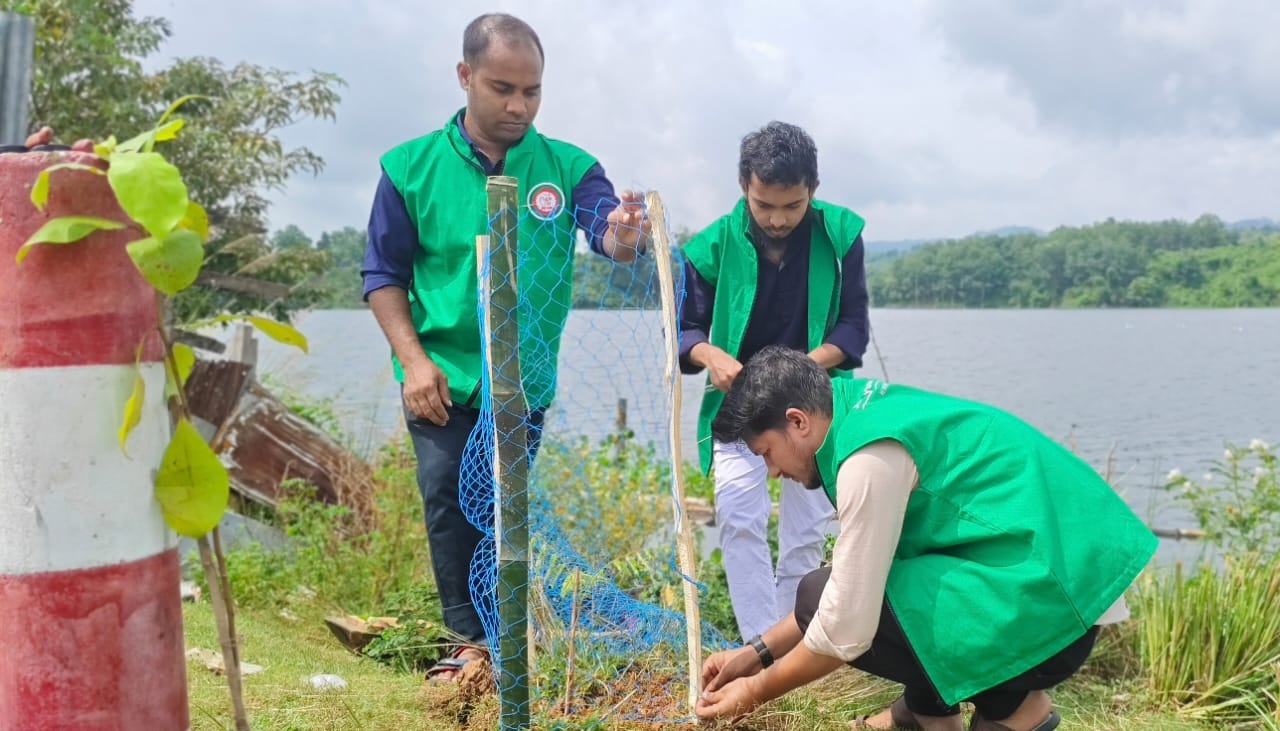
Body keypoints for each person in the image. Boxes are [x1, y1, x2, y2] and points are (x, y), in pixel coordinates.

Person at [361, 13, 649, 682]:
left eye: (533, 91)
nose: (519, 105)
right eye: (502, 88)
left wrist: (624, 232)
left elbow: (605, 230)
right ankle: (465, 647)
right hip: (441, 372)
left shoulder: (568, 167)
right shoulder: (409, 168)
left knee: (501, 511)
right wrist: (413, 361)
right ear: (465, 77)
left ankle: (501, 644)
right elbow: (382, 275)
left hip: (523, 381)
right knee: (444, 497)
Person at [694, 346, 1157, 731]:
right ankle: (926, 713)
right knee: (862, 590)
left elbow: (843, 629)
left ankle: (1013, 708)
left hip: (1051, 597)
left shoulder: (866, 461)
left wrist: (753, 692)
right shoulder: (854, 406)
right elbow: (863, 581)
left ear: (797, 422)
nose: (774, 473)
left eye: (767, 454)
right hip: (1049, 571)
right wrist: (754, 653)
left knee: (827, 598)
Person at [679, 121, 870, 642]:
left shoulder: (840, 236)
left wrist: (806, 368)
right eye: (765, 206)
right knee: (740, 519)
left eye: (792, 205)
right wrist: (709, 353)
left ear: (813, 190)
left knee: (806, 533)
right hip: (738, 408)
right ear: (745, 187)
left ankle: (797, 647)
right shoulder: (710, 246)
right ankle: (759, 645)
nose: (778, 219)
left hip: (811, 407)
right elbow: (684, 331)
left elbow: (854, 327)